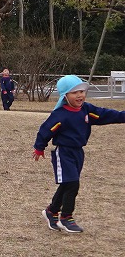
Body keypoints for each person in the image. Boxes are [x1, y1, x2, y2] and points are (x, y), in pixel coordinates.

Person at [33, 75, 125, 233]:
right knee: (73, 184)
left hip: (78, 153)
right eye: (74, 92)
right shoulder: (60, 115)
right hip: (64, 152)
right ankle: (66, 218)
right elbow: (45, 130)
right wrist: (39, 148)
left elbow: (106, 115)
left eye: (82, 91)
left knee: (67, 183)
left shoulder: (86, 110)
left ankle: (51, 211)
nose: (80, 95)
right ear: (65, 96)